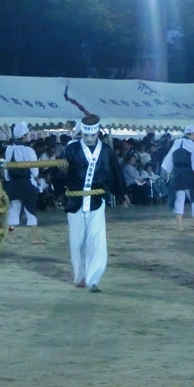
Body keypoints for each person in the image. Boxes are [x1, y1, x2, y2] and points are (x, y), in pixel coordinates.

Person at [64, 114, 129, 292]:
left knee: (97, 241)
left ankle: (93, 279)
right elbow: (60, 174)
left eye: (93, 136)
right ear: (81, 134)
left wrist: (122, 193)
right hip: (75, 200)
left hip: (96, 201)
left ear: (98, 133)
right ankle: (80, 276)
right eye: (86, 136)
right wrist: (61, 172)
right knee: (77, 242)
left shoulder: (106, 151)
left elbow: (116, 172)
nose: (89, 139)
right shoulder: (71, 150)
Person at [3, 122, 43, 244]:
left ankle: (12, 237)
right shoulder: (28, 150)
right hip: (26, 184)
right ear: (24, 136)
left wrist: (8, 181)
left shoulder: (9, 149)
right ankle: (35, 237)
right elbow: (34, 170)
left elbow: (6, 169)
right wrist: (37, 180)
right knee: (31, 211)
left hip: (13, 184)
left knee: (13, 212)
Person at [161, 125, 194, 231]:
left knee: (179, 199)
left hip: (176, 173)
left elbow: (168, 161)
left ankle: (180, 226)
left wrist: (169, 174)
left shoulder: (176, 143)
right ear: (193, 134)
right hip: (188, 173)